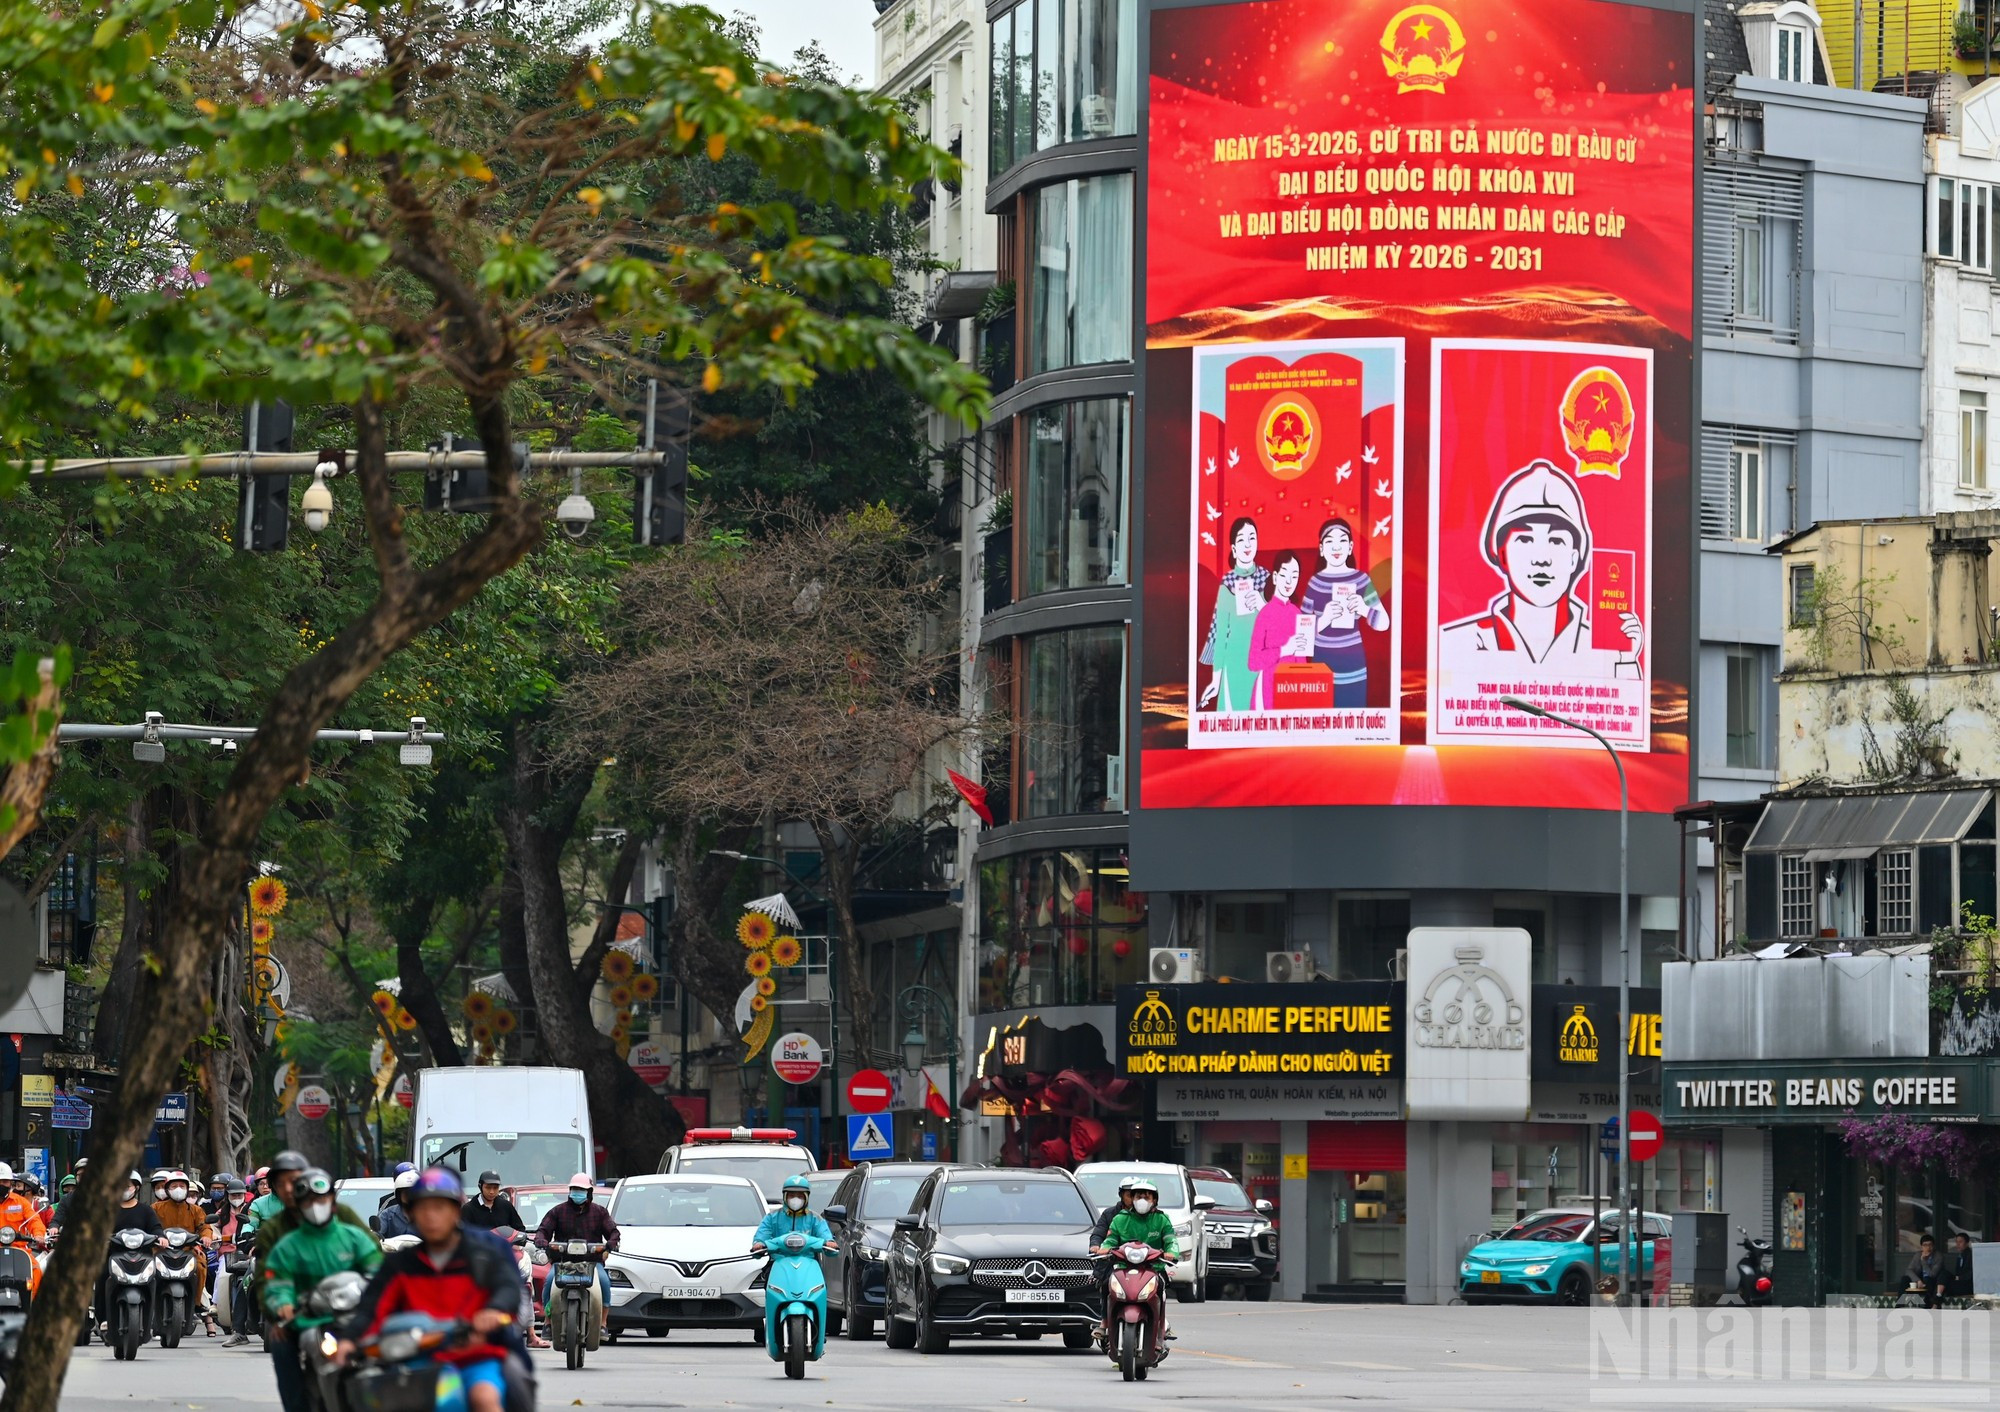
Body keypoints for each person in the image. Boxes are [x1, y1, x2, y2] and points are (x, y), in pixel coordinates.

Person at [336, 1168, 522, 1412]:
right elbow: (371, 1308)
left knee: (485, 1398)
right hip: (412, 1360)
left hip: (472, 1357)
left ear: (456, 1211)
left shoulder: (484, 1256)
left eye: (439, 1207)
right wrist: (349, 1340)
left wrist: (493, 1311)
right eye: (423, 1208)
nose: (431, 1216)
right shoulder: (399, 1265)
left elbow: (508, 1289)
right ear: (411, 1213)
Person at [1437, 461, 1643, 674]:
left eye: (1556, 541)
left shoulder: (1607, 654)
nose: (1541, 559)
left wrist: (1625, 662)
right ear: (1502, 554)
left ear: (1574, 558)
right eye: (1525, 540)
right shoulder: (1456, 645)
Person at [262, 1168, 382, 1395]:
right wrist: (282, 1303)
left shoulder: (354, 1238)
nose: (315, 1205)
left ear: (332, 1202)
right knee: (280, 1342)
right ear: (298, 1206)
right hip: (308, 1319)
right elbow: (278, 1283)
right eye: (308, 1201)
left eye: (321, 1199)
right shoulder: (287, 1246)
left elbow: (378, 1271)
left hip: (356, 1315)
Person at [1299, 518, 1389, 706]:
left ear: (1350, 547)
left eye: (1342, 540)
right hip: (1322, 667)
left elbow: (1384, 623)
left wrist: (1364, 609)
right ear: (1321, 549)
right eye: (1329, 541)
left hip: (1353, 667)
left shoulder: (1361, 580)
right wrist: (1324, 619)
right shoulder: (1315, 583)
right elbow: (1302, 634)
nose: (1336, 547)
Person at [533, 1172, 618, 1336]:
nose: (577, 1193)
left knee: (604, 1281)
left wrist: (610, 1244)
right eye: (574, 1189)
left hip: (592, 1263)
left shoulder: (600, 1212)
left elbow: (613, 1232)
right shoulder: (557, 1212)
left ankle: (603, 1323)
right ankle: (548, 1322)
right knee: (549, 1281)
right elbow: (543, 1230)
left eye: (581, 1190)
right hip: (562, 1262)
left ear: (589, 1192)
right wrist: (542, 1241)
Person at [1095, 1176, 1178, 1340]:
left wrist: (1172, 1253)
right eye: (1138, 1196)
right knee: (1107, 1285)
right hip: (1123, 1267)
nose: (1142, 1200)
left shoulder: (1162, 1219)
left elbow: (1171, 1241)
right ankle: (1105, 1323)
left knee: (1161, 1287)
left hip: (1154, 1268)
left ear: (1154, 1200)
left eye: (1147, 1197)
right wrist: (1104, 1248)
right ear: (1132, 1199)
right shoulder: (1120, 1219)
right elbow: (1111, 1239)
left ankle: (1161, 1328)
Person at [1197, 517, 1266, 711]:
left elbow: (1279, 624)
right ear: (1234, 549)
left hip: (1261, 662)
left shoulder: (1268, 579)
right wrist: (1215, 680)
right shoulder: (1227, 583)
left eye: (1252, 538)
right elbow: (1220, 636)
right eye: (1242, 539)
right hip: (1234, 662)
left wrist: (1262, 605)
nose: (1247, 544)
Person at [154, 1166, 220, 1334]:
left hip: (188, 1250)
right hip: (161, 1251)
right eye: (174, 1186)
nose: (178, 1189)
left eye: (182, 1186)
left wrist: (205, 1237)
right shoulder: (156, 1208)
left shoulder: (196, 1210)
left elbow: (204, 1227)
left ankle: (196, 1303)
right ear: (167, 1189)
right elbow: (149, 1226)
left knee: (201, 1265)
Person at [101, 1171, 164, 1338]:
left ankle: (152, 1321)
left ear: (136, 1188)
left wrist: (161, 1237)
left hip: (142, 1257)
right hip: (114, 1255)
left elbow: (156, 1228)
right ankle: (104, 1318)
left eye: (127, 1186)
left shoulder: (146, 1210)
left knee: (154, 1280)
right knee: (102, 1277)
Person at [1246, 551, 1313, 709]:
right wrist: (1284, 650)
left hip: (1291, 691)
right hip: (1267, 690)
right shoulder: (1264, 614)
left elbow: (1302, 661)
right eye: (1284, 575)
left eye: (1294, 576)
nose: (1289, 581)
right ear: (1275, 577)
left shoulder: (1297, 614)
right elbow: (1253, 662)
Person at [0, 1164, 47, 1298]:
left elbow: (34, 1220)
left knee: (36, 1270)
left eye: (5, 1181)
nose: (2, 1184)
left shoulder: (21, 1202)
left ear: (11, 1183)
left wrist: (39, 1235)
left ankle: (31, 1305)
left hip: (18, 1249)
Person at [376, 1168, 421, 1241]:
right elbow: (378, 1233)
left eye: (412, 1192)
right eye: (405, 1192)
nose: (408, 1196)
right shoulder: (387, 1214)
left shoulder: (426, 1214)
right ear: (398, 1194)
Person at [1905, 1234, 1941, 1308]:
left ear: (1933, 1246)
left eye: (1930, 1245)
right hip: (1920, 1280)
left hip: (1932, 1281)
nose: (1928, 1247)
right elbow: (1909, 1270)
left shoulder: (1938, 1256)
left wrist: (1923, 1260)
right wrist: (1917, 1280)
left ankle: (1926, 1307)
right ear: (1921, 1247)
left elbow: (1932, 1274)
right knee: (1904, 1279)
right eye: (1925, 1245)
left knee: (1928, 1280)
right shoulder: (1918, 1255)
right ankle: (1899, 1306)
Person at [1940, 1231, 1975, 1304]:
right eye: (1956, 1242)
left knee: (1946, 1283)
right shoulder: (1960, 1255)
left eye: (1960, 1242)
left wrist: (1959, 1278)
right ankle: (1937, 1298)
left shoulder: (1971, 1255)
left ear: (1967, 1243)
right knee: (1943, 1275)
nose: (1958, 1244)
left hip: (1967, 1285)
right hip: (1959, 1282)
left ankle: (1937, 1300)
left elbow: (1972, 1272)